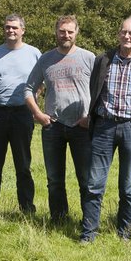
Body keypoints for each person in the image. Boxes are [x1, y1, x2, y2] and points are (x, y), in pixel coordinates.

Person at [79, 16, 131, 243]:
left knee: (128, 185)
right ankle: (89, 233)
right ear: (119, 34)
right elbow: (93, 89)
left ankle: (124, 233)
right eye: (123, 32)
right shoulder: (103, 60)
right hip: (104, 125)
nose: (126, 36)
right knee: (95, 183)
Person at [24, 15, 95, 223]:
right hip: (53, 126)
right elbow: (28, 89)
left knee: (86, 180)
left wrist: (90, 118)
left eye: (70, 31)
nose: (66, 35)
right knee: (54, 180)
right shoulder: (45, 59)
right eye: (62, 31)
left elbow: (101, 90)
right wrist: (37, 114)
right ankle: (59, 219)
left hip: (82, 126)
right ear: (56, 32)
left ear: (76, 33)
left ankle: (89, 220)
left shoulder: (89, 58)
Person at [0, 14, 41, 215]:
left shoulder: (34, 54)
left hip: (22, 114)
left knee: (23, 165)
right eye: (7, 27)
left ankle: (27, 209)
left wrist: (34, 106)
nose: (11, 31)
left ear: (23, 30)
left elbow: (41, 82)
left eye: (15, 27)